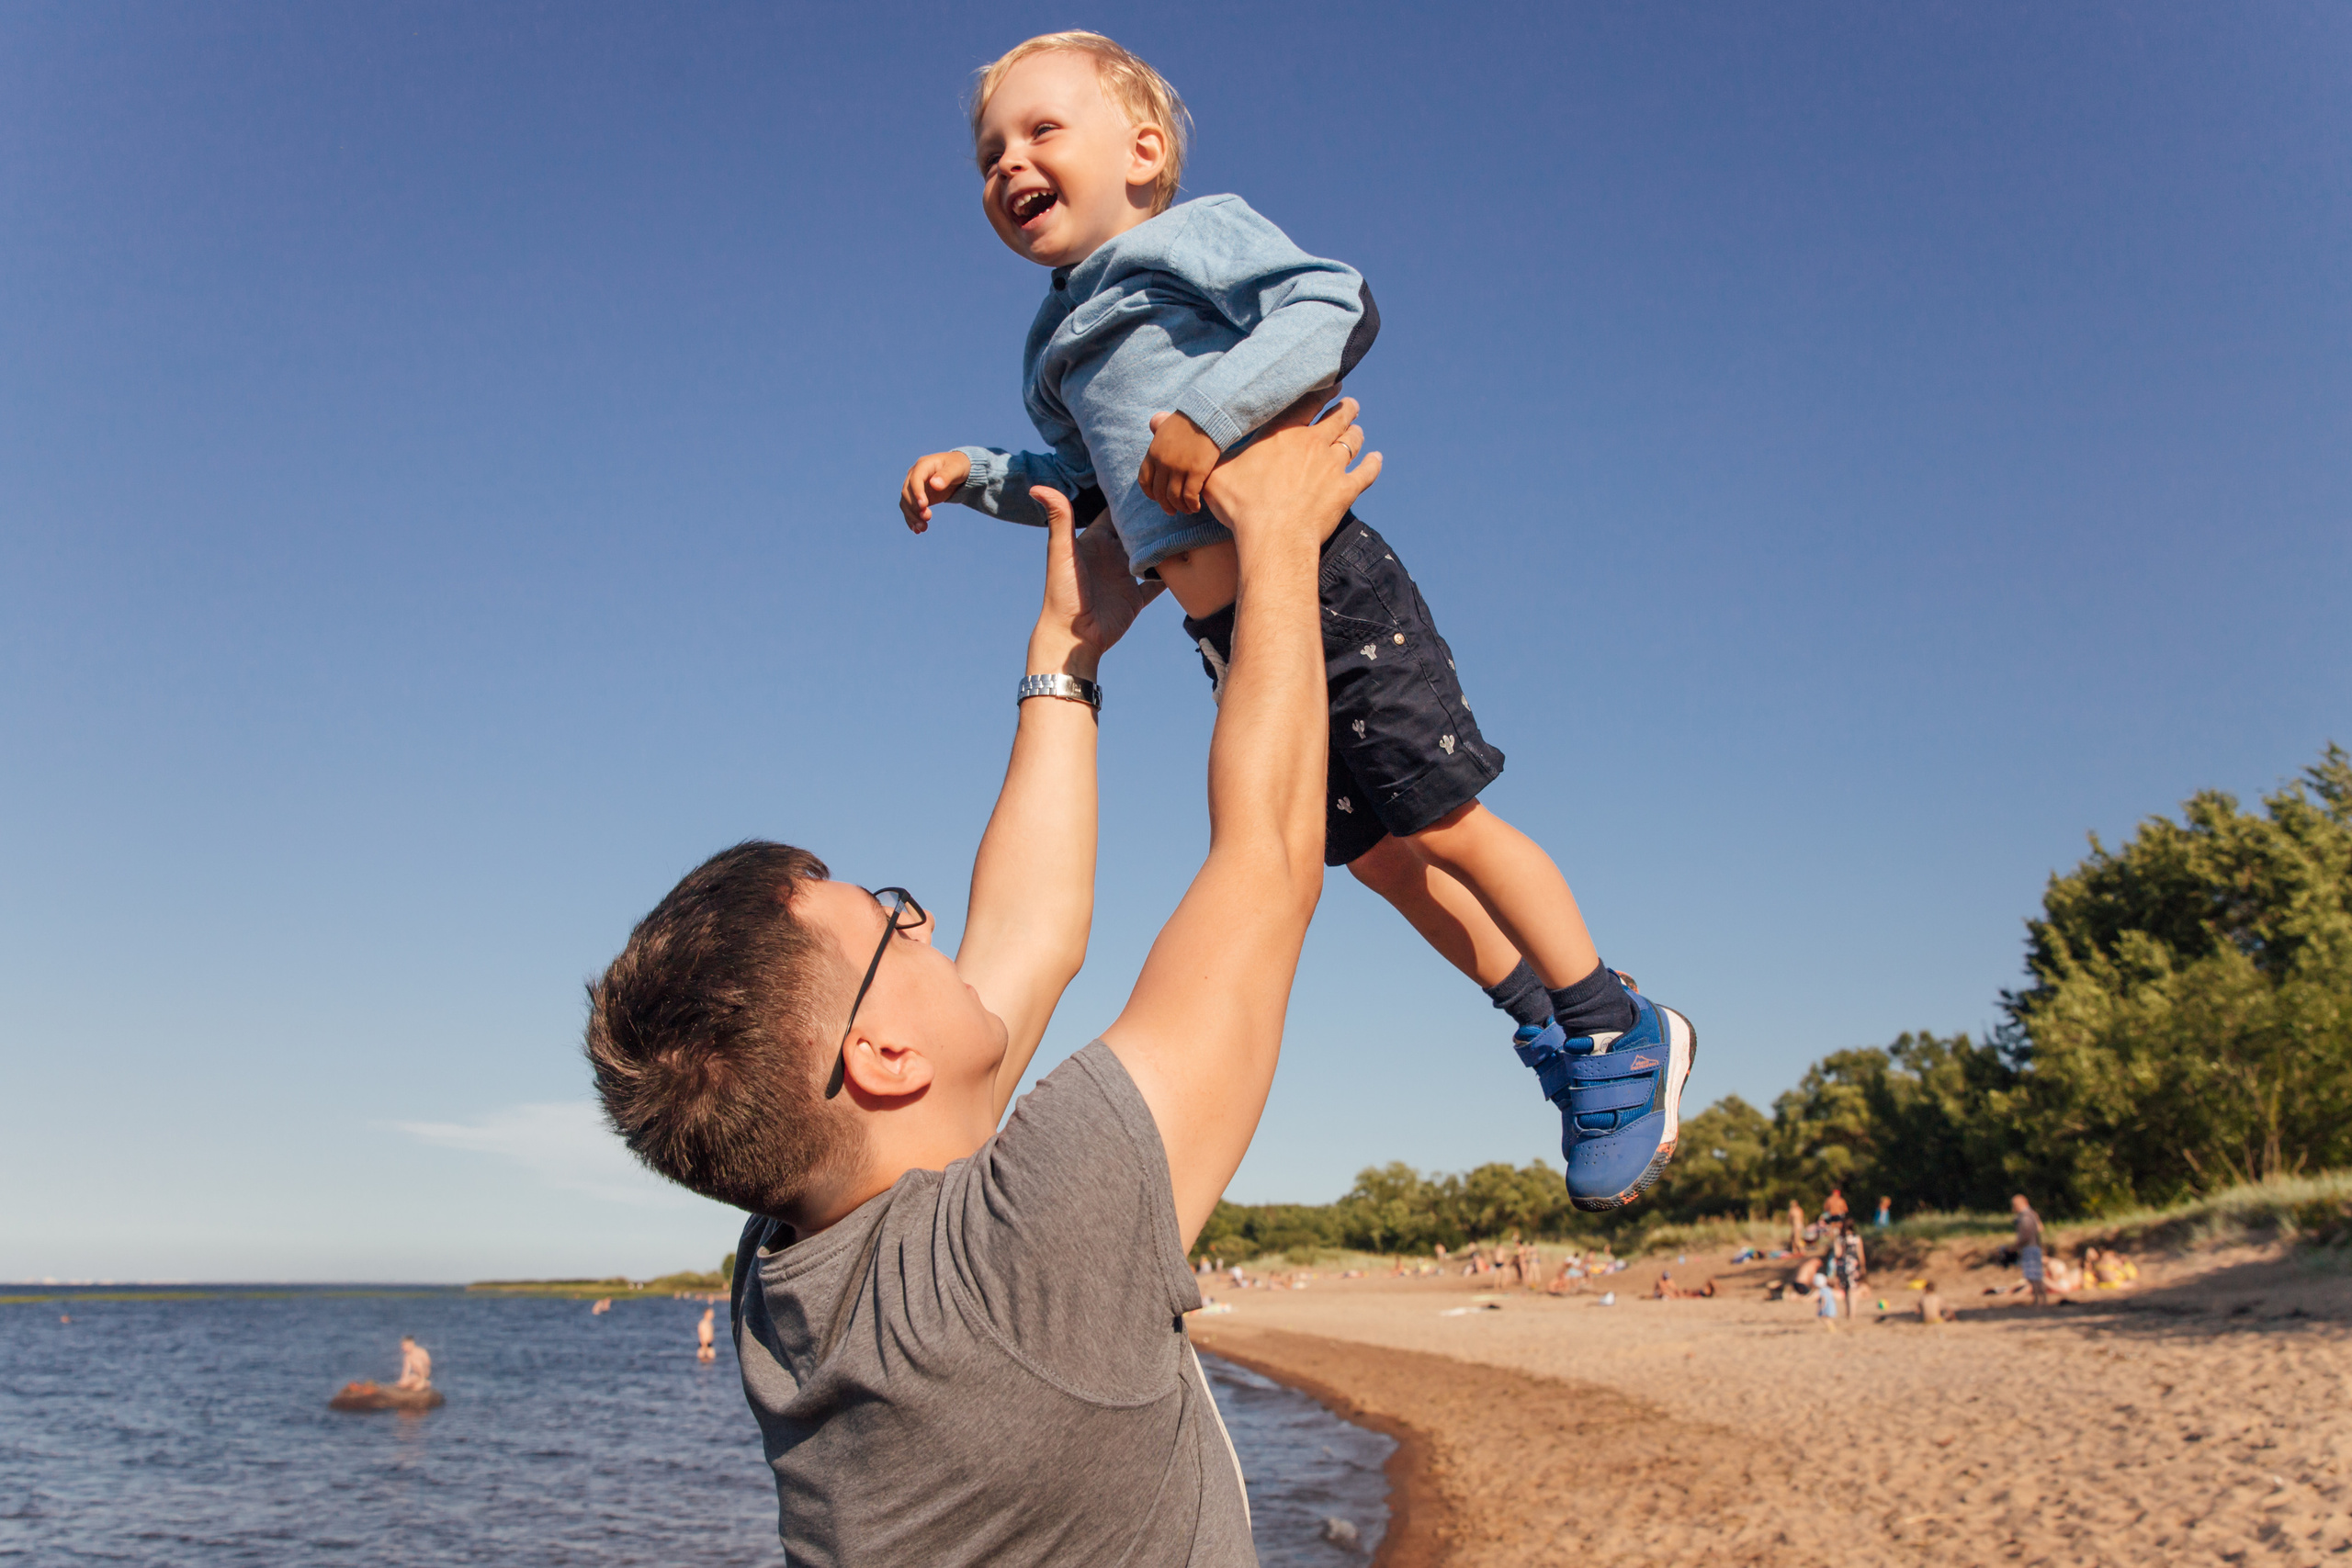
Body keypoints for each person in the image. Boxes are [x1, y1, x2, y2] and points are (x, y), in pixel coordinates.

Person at [895, 29, 1695, 1213]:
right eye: (988, 154)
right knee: (1372, 857)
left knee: (1444, 820)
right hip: (1233, 638)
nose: (1008, 163)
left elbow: (1331, 304)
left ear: (1143, 153)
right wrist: (978, 476)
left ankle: (1616, 1022)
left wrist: (1211, 419)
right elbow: (1084, 485)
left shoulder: (1187, 239)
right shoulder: (1051, 349)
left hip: (1322, 580)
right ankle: (1541, 1022)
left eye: (1041, 130)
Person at [587, 404, 1378, 1565]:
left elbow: (1030, 930)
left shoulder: (785, 1269)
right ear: (880, 1059)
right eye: (891, 926)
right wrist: (1278, 542)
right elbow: (1266, 861)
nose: (926, 922)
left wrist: (1066, 654)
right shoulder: (1023, 1261)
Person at [2012, 1194, 2047, 1307]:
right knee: (2036, 1274)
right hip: (2035, 1246)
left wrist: (2016, 1245)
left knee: (2033, 1275)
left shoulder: (2025, 1216)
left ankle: (2039, 1299)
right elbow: (2040, 1228)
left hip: (2029, 1247)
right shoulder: (2033, 1214)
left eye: (2015, 1205)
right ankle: (2041, 1299)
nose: (2014, 1208)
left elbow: (2025, 1235)